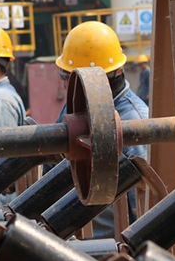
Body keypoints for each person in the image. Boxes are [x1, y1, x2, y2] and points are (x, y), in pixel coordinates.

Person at [55, 21, 147, 238]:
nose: (65, 85)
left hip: (111, 250)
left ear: (92, 80)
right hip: (75, 241)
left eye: (68, 77)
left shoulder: (133, 121)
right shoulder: (76, 110)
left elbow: (143, 208)